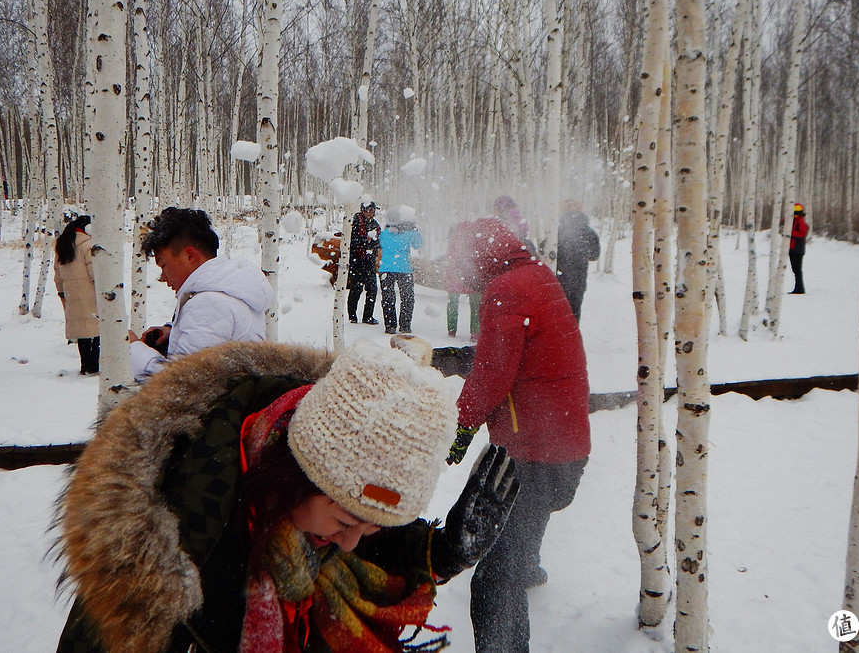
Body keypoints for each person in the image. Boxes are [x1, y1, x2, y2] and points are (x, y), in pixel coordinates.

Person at [54, 338, 519, 653]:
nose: (353, 543)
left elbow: (360, 543)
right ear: (295, 476)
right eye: (344, 522)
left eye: (373, 527)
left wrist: (437, 552)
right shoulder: (168, 552)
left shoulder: (313, 510)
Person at [444, 218, 590, 653]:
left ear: (480, 259)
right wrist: (450, 358)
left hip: (533, 448)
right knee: (528, 518)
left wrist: (463, 425)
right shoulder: (536, 275)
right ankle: (527, 564)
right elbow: (509, 353)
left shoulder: (505, 291)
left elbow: (492, 373)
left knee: (493, 575)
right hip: (564, 440)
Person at [128, 207, 274, 381]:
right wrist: (174, 333)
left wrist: (133, 350)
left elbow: (180, 386)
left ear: (189, 255)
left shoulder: (210, 303)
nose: (162, 277)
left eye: (163, 265)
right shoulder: (229, 289)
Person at [54, 215, 100, 375]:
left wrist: (62, 292)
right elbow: (94, 272)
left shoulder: (62, 245)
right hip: (90, 295)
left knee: (82, 333)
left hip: (72, 295)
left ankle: (84, 365)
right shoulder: (88, 245)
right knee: (95, 331)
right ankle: (93, 367)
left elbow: (57, 274)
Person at [377, 205, 423, 335]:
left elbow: (377, 243)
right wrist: (414, 230)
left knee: (388, 298)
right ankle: (405, 325)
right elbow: (419, 244)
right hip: (404, 269)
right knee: (407, 298)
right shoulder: (409, 234)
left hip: (386, 269)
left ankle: (390, 325)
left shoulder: (384, 233)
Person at [555, 199, 600, 321]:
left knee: (557, 315)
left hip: (558, 279)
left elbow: (546, 250)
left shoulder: (556, 230)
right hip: (578, 280)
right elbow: (594, 255)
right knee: (574, 314)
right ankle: (572, 337)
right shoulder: (589, 232)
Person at [347, 200, 381, 325]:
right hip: (357, 261)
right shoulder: (355, 221)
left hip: (370, 261)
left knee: (372, 289)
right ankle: (352, 316)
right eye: (367, 210)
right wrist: (365, 239)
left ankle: (368, 316)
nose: (370, 213)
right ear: (363, 210)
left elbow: (378, 240)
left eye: (372, 210)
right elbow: (351, 240)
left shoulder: (375, 224)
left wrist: (372, 241)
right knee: (356, 289)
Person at [788, 203, 809, 294]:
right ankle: (798, 288)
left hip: (797, 249)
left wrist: (790, 233)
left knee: (797, 270)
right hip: (793, 248)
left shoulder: (801, 222)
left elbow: (802, 234)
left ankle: (800, 289)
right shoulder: (794, 221)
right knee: (795, 270)